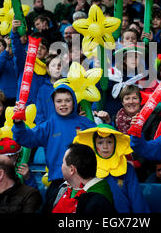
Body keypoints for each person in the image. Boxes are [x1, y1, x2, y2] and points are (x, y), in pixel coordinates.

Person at [12, 83, 96, 212]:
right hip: (59, 182)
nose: (63, 104)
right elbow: (26, 138)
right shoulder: (48, 125)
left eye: (67, 100)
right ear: (53, 104)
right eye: (59, 101)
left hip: (85, 182)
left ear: (74, 102)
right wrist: (18, 123)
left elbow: (101, 145)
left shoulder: (86, 124)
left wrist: (107, 122)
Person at [73, 125, 150, 213]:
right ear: (94, 145)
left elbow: (137, 199)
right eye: (100, 142)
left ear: (116, 144)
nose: (105, 146)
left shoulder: (127, 169)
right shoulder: (86, 169)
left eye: (109, 142)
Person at [51, 143, 116, 213]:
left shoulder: (100, 201)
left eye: (63, 163)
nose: (61, 166)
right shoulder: (63, 188)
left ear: (72, 170)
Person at [35, 54, 63, 125]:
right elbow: (39, 113)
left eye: (59, 65)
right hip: (49, 129)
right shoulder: (42, 89)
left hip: (66, 126)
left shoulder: (68, 84)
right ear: (47, 69)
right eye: (53, 65)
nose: (57, 68)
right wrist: (44, 128)